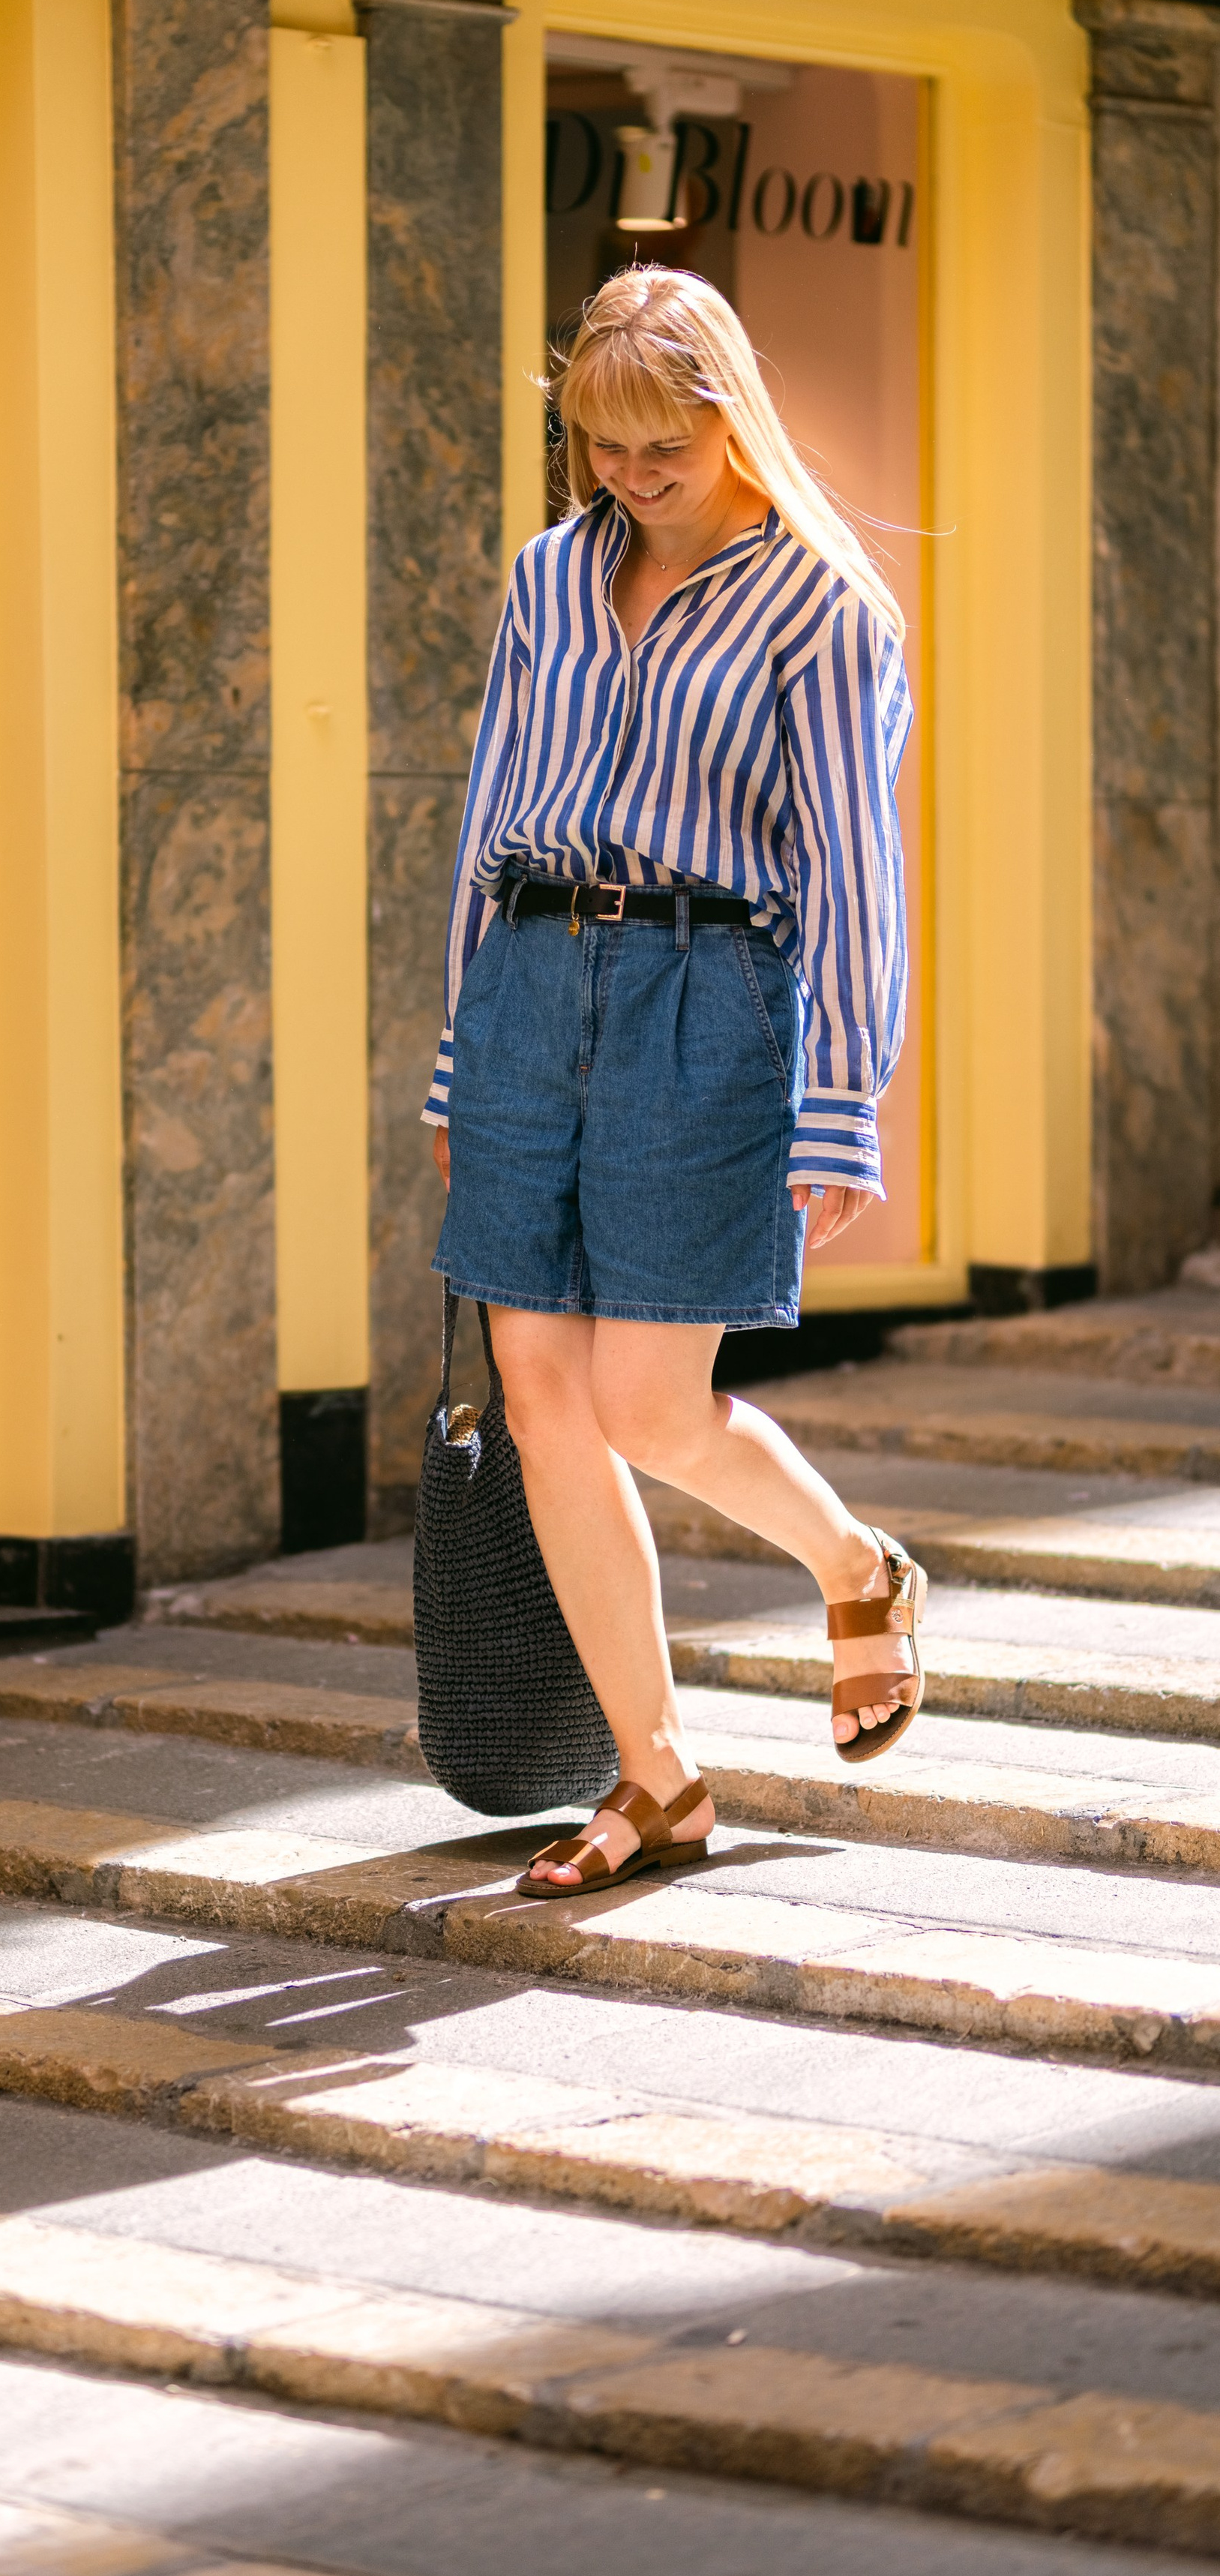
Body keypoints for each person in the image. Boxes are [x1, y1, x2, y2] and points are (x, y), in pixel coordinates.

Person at [425, 266, 924, 1895]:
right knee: (542, 1404)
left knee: (646, 1403)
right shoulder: (547, 579)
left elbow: (854, 872)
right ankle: (654, 1781)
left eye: (662, 448)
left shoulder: (821, 609)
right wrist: (454, 1053)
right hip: (523, 993)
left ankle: (853, 1567)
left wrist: (840, 1096)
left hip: (704, 999)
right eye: (599, 447)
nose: (630, 479)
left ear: (730, 417)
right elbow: (486, 820)